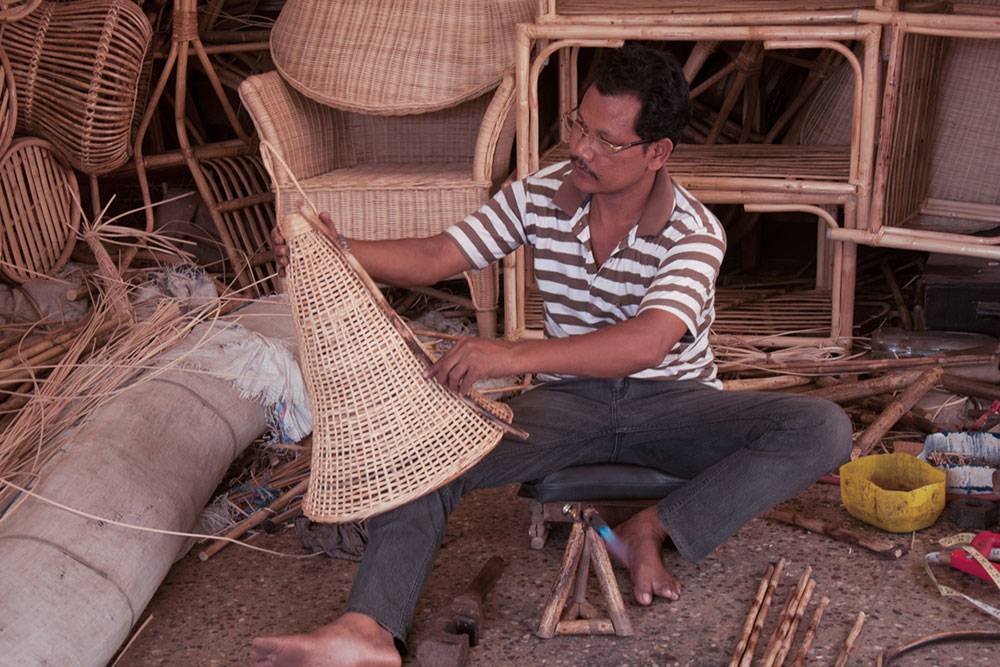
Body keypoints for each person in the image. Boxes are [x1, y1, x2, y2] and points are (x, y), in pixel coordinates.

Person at [252, 43, 851, 667]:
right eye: (579, 126)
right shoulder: (539, 195)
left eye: (607, 141)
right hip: (569, 403)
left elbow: (647, 342)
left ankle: (656, 525)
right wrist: (341, 248)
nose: (582, 149)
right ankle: (369, 629)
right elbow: (439, 254)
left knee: (822, 428)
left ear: (657, 152)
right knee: (423, 458)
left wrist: (509, 355)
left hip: (674, 405)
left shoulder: (694, 232)